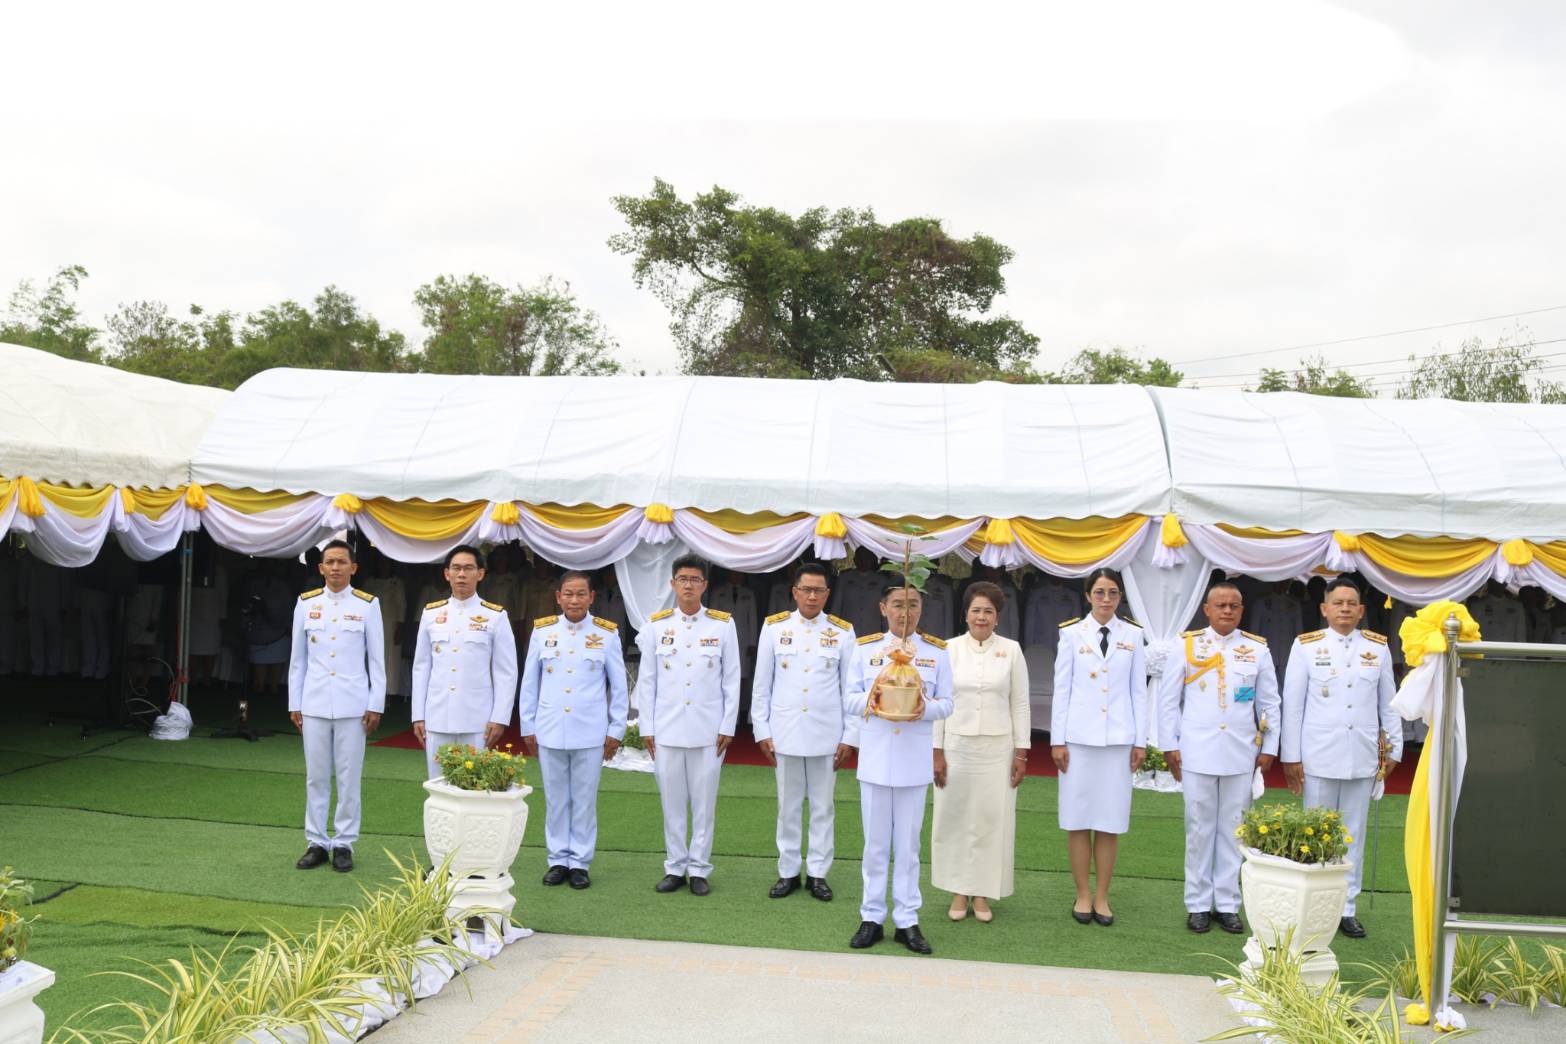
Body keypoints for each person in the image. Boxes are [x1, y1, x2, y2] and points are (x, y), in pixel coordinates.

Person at [1279, 577, 1401, 939]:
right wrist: (1291, 755)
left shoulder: (1377, 648)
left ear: (1362, 610)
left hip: (1361, 755)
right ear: (1324, 609)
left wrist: (1392, 747)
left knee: (1352, 835)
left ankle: (1346, 908)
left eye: (1352, 603)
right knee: (1315, 832)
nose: (1345, 609)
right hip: (1319, 754)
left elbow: (1387, 703)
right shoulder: (1306, 646)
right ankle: (1314, 904)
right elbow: (1294, 706)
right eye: (1338, 603)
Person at [1158, 580, 1280, 935]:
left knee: (1234, 830)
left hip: (1241, 753)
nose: (1227, 610)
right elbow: (1168, 701)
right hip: (1197, 751)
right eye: (1221, 605)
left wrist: (1269, 747)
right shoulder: (1188, 645)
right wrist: (1170, 744)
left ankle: (1227, 903)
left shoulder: (1256, 649)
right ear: (1206, 609)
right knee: (1198, 829)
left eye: (1234, 605)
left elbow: (1270, 702)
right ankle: (1197, 903)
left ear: (1242, 611)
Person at [845, 584, 954, 955]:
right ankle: (871, 916)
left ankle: (907, 919)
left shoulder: (936, 652)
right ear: (883, 607)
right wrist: (872, 700)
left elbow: (949, 702)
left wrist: (926, 708)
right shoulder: (865, 649)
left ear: (922, 609)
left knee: (908, 846)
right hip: (876, 758)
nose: (904, 612)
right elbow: (847, 698)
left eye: (912, 605)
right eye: (897, 605)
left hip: (912, 759)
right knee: (875, 845)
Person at [751, 561, 857, 902]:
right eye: (806, 589)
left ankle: (818, 874)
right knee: (788, 806)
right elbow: (761, 685)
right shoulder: (773, 627)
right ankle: (787, 871)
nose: (812, 596)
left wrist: (849, 736)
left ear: (828, 594)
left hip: (827, 733)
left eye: (819, 590)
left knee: (824, 806)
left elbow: (850, 690)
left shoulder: (843, 632)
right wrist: (761, 730)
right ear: (794, 592)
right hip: (785, 732)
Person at [636, 554, 740, 896]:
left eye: (695, 580)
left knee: (704, 803)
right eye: (682, 579)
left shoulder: (723, 625)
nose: (688, 585)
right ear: (672, 584)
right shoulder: (656, 626)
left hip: (708, 730)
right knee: (672, 802)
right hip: (667, 728)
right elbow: (647, 681)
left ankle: (699, 868)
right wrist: (646, 728)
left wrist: (728, 725)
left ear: (705, 585)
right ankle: (674, 866)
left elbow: (732, 680)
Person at [518, 571, 628, 890]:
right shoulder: (543, 632)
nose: (574, 600)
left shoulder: (606, 634)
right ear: (558, 597)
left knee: (583, 799)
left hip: (590, 730)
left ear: (592, 597)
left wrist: (616, 729)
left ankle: (579, 862)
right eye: (568, 594)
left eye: (581, 594)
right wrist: (528, 726)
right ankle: (557, 859)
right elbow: (530, 684)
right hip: (550, 727)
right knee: (555, 799)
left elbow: (618, 688)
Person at [1050, 568, 1145, 927]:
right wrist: (1057, 739)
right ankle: (1083, 894)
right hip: (1078, 740)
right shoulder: (1071, 633)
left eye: (1113, 593)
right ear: (1089, 595)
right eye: (1100, 592)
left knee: (1109, 821)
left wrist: (1140, 740)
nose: (1107, 600)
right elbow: (1063, 689)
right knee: (1077, 820)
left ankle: (1103, 896)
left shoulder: (1134, 635)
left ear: (1120, 598)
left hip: (1118, 740)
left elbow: (1139, 691)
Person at [932, 580, 1030, 923]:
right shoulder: (948, 649)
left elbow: (1019, 703)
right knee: (956, 818)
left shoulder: (1012, 650)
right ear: (966, 614)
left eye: (988, 611)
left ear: (998, 617)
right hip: (957, 746)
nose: (982, 617)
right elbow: (939, 702)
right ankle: (959, 890)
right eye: (976, 610)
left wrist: (1022, 753)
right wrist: (937, 751)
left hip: (997, 748)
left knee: (991, 819)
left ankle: (983, 893)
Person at [287, 540, 385, 873]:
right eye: (330, 562)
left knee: (348, 777)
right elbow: (297, 659)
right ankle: (316, 840)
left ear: (353, 568)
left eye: (342, 562)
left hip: (353, 704)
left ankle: (343, 842)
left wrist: (376, 703)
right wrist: (294, 701)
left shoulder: (367, 605)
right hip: (314, 702)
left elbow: (377, 660)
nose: (335, 568)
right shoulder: (306, 603)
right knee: (316, 777)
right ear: (320, 568)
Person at [411, 545, 518, 780]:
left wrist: (499, 717)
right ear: (446, 574)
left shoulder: (495, 616)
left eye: (468, 568)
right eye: (456, 568)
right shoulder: (431, 614)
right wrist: (418, 715)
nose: (462, 574)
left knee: (474, 786)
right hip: (437, 715)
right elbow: (421, 667)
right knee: (438, 785)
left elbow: (505, 672)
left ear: (480, 574)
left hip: (477, 718)